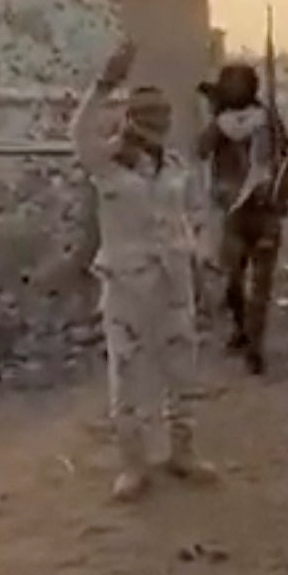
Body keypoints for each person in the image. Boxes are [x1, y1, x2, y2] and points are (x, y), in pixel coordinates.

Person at [74, 39, 217, 501]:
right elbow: (79, 133)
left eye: (163, 118)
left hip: (173, 283)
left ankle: (183, 452)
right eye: (148, 118)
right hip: (126, 286)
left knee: (181, 371)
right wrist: (104, 84)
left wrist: (198, 267)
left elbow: (192, 220)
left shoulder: (175, 167)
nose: (157, 127)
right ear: (130, 120)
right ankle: (133, 465)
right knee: (128, 378)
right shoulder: (108, 165)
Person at [198, 62, 285, 372]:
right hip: (233, 212)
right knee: (233, 280)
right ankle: (242, 329)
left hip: (264, 210)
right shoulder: (221, 124)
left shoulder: (267, 121)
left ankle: (255, 345)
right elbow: (201, 149)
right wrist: (216, 119)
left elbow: (283, 156)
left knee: (260, 285)